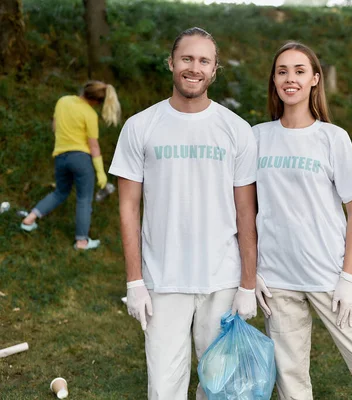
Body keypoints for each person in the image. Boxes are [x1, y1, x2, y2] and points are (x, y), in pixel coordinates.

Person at [108, 27, 258, 400]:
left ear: (215, 69)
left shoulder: (236, 130)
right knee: (163, 389)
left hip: (221, 279)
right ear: (171, 63)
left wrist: (248, 284)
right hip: (162, 281)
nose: (195, 67)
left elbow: (246, 212)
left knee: (220, 388)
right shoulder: (140, 126)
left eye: (204, 60)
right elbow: (128, 206)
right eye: (187, 58)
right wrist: (134, 282)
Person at [253, 41, 352, 400]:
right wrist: (252, 270)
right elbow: (245, 208)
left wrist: (347, 277)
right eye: (282, 71)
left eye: (299, 71)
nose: (290, 79)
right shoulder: (256, 137)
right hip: (276, 279)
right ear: (274, 80)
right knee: (290, 379)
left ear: (315, 79)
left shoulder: (333, 138)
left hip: (329, 276)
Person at [20, 81, 121, 250]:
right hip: (81, 159)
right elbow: (94, 146)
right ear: (97, 102)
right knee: (84, 199)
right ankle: (82, 241)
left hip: (61, 157)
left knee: (60, 192)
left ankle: (29, 219)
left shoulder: (63, 101)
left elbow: (55, 126)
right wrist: (101, 173)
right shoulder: (89, 114)